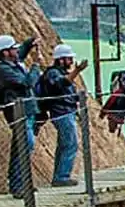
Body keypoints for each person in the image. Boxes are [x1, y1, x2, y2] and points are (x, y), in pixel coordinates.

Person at [0, 34, 40, 198]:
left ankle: (19, 184)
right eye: (13, 49)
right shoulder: (3, 71)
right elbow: (27, 83)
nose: (17, 51)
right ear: (5, 52)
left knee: (21, 146)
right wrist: (36, 65)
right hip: (18, 113)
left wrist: (29, 43)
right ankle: (18, 186)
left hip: (26, 111)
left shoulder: (10, 64)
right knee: (25, 145)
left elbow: (21, 53)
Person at [38, 45, 89, 187]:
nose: (71, 61)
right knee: (70, 144)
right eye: (69, 59)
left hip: (66, 112)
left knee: (64, 145)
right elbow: (60, 85)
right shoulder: (53, 73)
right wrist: (77, 71)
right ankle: (62, 176)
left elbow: (66, 91)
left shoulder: (59, 73)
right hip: (61, 113)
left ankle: (59, 175)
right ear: (61, 60)